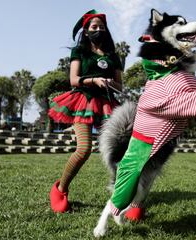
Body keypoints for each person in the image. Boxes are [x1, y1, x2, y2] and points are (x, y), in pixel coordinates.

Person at [48, 9, 123, 213]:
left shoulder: (113, 56)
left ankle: (127, 198)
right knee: (83, 150)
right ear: (86, 30)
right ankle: (60, 190)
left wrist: (109, 83)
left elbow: (120, 87)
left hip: (107, 104)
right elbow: (73, 80)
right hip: (83, 102)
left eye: (101, 26)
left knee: (121, 152)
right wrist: (94, 80)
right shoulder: (79, 51)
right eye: (94, 26)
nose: (98, 29)